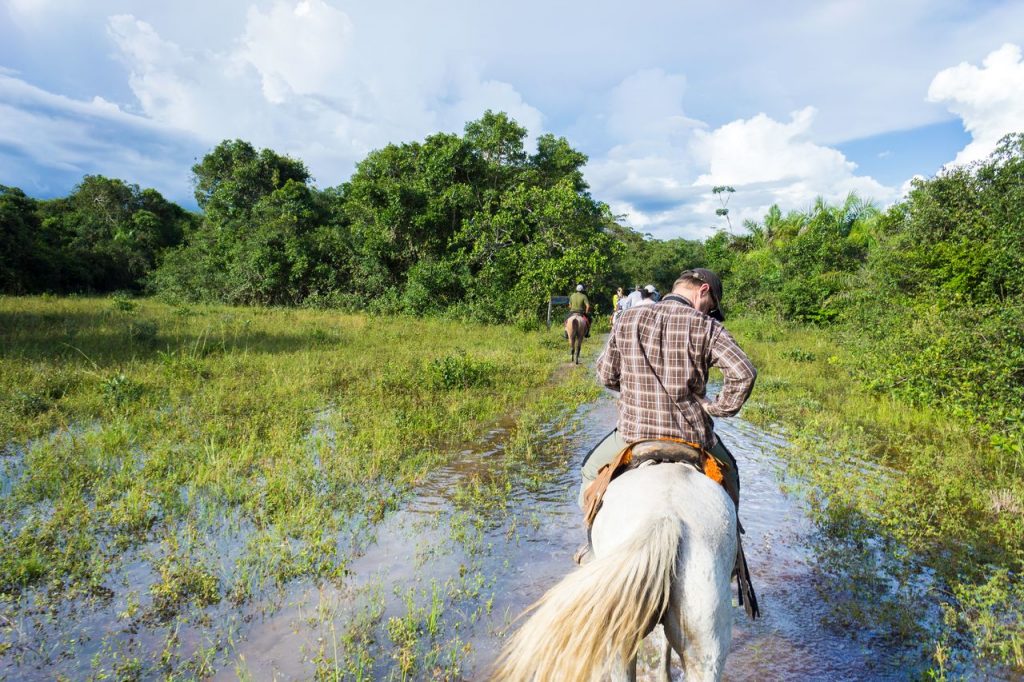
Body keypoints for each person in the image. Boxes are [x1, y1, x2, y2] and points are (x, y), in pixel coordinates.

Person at [576, 268, 759, 613]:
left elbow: (605, 374)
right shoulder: (706, 326)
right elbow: (744, 372)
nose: (708, 312)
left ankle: (591, 548)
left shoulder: (628, 319)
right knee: (731, 472)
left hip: (634, 436)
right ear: (703, 291)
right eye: (710, 305)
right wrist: (718, 407)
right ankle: (732, 557)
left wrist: (634, 388)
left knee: (588, 472)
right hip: (692, 437)